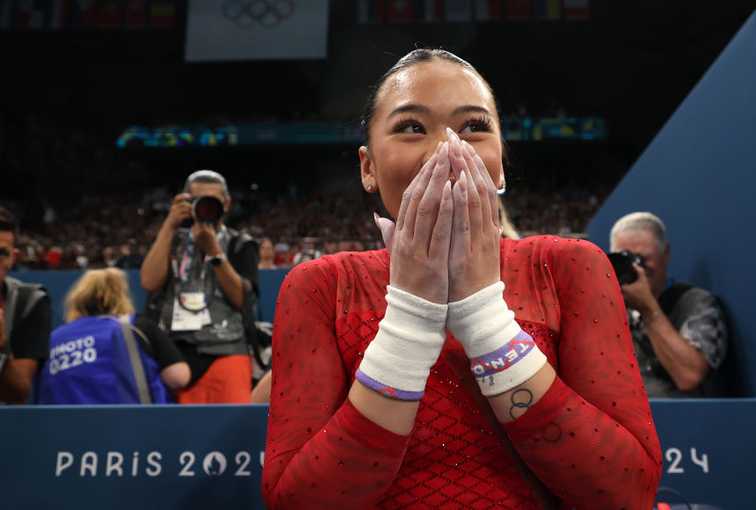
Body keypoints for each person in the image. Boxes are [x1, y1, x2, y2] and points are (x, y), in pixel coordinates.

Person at [263, 49, 661, 509]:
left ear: (501, 162)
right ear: (367, 167)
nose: (447, 150)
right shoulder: (322, 286)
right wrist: (411, 318)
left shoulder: (569, 266)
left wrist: (482, 313)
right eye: (412, 127)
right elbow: (298, 503)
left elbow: (626, 492)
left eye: (473, 127)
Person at [141, 170, 259, 404]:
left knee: (231, 435)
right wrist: (169, 224)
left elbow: (243, 301)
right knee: (175, 435)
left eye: (213, 201)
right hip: (172, 351)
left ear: (226, 204)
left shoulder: (240, 244)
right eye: (197, 201)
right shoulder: (171, 239)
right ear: (185, 202)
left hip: (226, 347)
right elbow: (149, 282)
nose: (205, 207)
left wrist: (214, 252)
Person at [609, 212, 729, 397]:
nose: (635, 268)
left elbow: (689, 376)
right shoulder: (606, 310)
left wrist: (648, 309)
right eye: (625, 259)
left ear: (665, 255)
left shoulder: (695, 304)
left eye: (642, 259)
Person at [33, 268, 190, 404]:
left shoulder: (54, 338)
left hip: (62, 430)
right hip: (130, 427)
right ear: (121, 296)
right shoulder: (136, 327)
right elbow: (178, 377)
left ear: (78, 299)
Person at [0, 207, 52, 404]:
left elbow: (18, 393)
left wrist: (1, 349)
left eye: (1, 253)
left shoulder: (29, 301)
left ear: (13, 257)